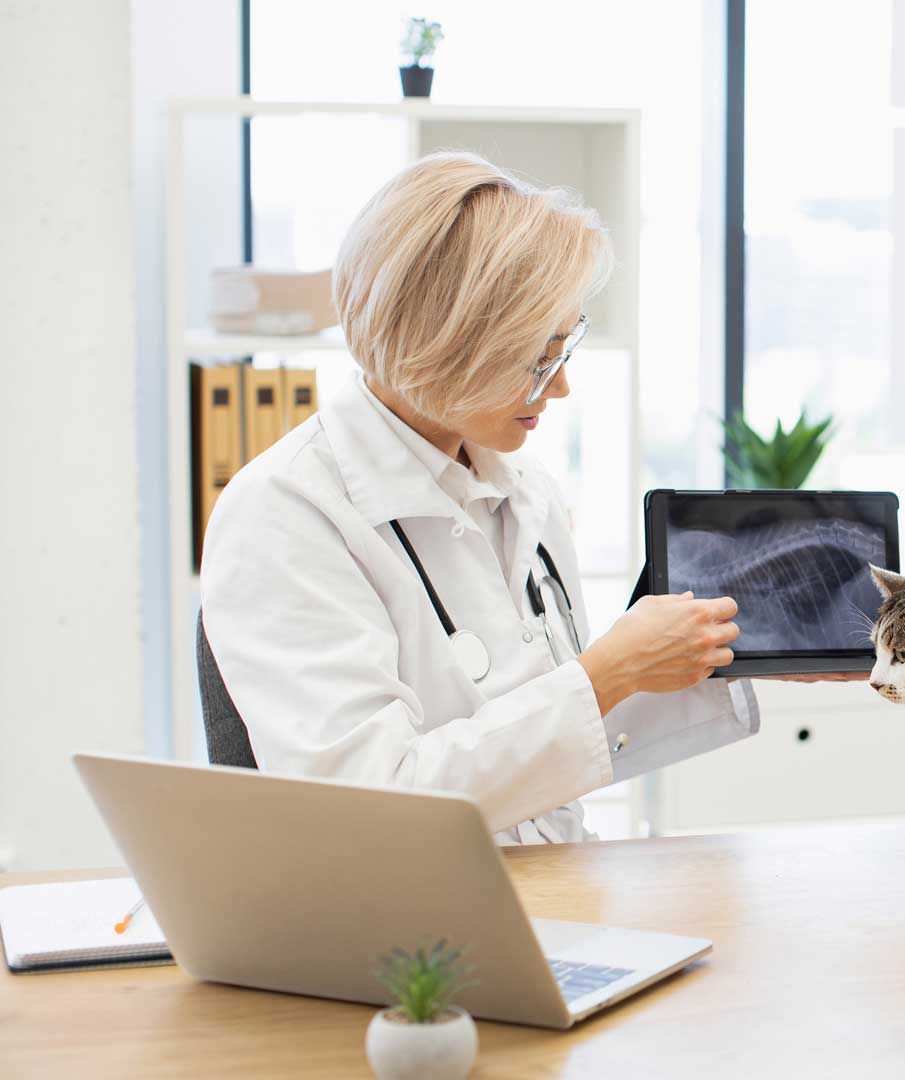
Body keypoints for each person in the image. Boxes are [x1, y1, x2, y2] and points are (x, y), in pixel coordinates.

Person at [201, 152, 853, 846]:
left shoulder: (523, 489)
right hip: (406, 929)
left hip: (553, 886)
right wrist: (607, 672)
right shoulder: (285, 513)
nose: (561, 388)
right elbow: (369, 808)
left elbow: (548, 746)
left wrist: (741, 656)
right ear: (445, 343)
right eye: (538, 359)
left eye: (564, 348)